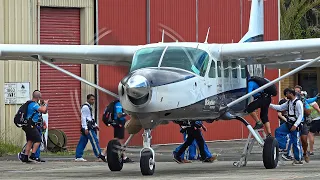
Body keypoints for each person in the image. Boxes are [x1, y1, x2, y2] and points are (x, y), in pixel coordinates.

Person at [269, 88, 304, 165]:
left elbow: (301, 115)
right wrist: (269, 105)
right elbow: (280, 107)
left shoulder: (298, 103)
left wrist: (295, 125)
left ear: (290, 93)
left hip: (295, 124)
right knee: (278, 131)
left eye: (286, 94)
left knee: (296, 142)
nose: (286, 96)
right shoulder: (288, 103)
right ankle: (282, 147)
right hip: (288, 123)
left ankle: (298, 159)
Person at [19, 90, 49, 163]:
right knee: (38, 140)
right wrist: (45, 104)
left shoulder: (30, 104)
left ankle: (25, 156)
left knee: (30, 140)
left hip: (28, 125)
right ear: (38, 97)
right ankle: (33, 155)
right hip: (31, 126)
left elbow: (44, 111)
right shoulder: (34, 105)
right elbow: (43, 110)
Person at [75, 94, 106, 162]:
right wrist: (85, 128)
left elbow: (91, 117)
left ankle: (78, 156)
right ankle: (99, 155)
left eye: (94, 99)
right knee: (95, 141)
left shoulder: (89, 107)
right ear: (88, 99)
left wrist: (95, 125)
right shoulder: (85, 107)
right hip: (88, 127)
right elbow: (83, 118)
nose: (93, 101)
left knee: (83, 141)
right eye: (92, 99)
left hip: (90, 126)